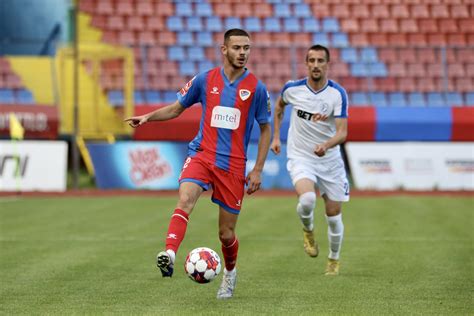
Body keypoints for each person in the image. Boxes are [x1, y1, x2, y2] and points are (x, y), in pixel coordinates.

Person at [125, 29, 271, 299]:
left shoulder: (256, 89)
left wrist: (258, 168)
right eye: (237, 47)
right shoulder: (205, 80)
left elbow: (265, 128)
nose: (243, 53)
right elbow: (176, 108)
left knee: (226, 234)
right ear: (223, 49)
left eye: (246, 48)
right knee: (185, 200)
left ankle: (229, 273)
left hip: (233, 165)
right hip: (202, 154)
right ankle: (169, 253)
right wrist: (148, 118)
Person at [270, 44, 349, 276]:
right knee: (306, 199)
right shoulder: (292, 89)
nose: (316, 65)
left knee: (334, 216)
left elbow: (342, 132)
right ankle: (308, 231)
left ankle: (333, 259)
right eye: (311, 60)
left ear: (327, 64)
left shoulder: (337, 94)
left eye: (320, 61)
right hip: (301, 155)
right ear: (306, 63)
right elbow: (279, 106)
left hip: (330, 160)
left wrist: (326, 145)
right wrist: (276, 136)